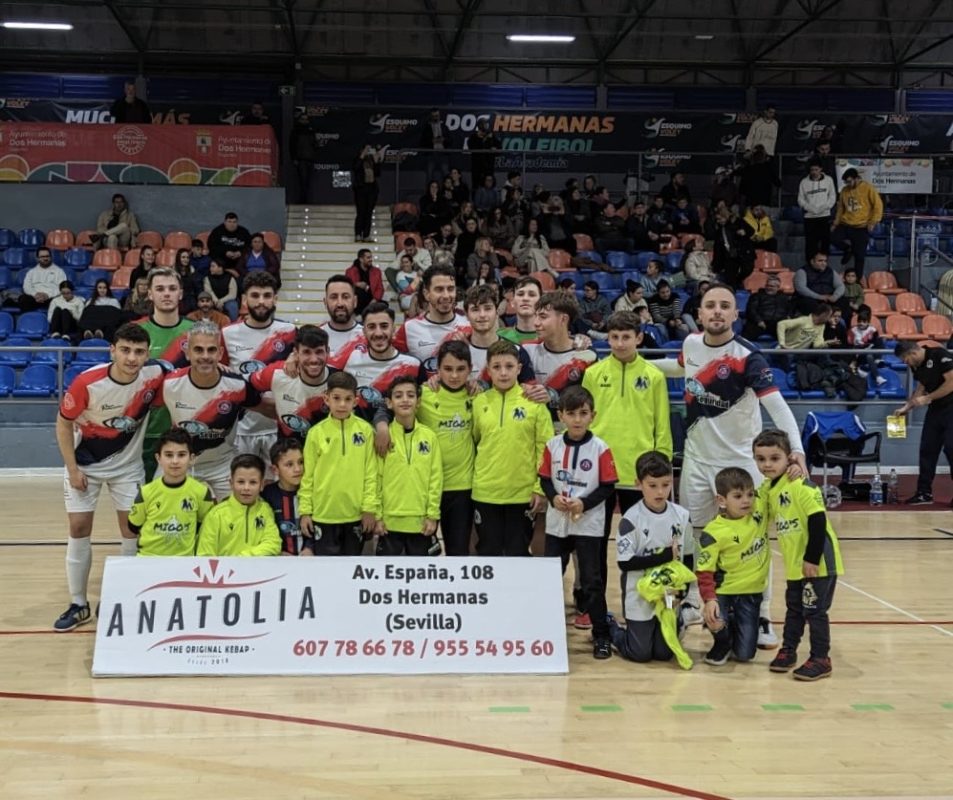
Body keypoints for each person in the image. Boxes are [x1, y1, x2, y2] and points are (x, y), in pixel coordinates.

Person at [658, 283, 806, 646]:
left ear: (735, 314)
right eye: (710, 305)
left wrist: (797, 450)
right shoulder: (691, 344)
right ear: (699, 313)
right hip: (697, 461)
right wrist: (633, 362)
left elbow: (777, 407)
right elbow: (678, 368)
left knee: (753, 542)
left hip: (740, 465)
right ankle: (696, 602)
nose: (717, 311)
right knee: (698, 537)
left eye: (725, 306)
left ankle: (764, 614)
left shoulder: (748, 356)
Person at [53, 322, 165, 631]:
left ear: (147, 354)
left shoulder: (155, 374)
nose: (132, 358)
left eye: (139, 352)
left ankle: (121, 597)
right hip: (85, 465)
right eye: (125, 350)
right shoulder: (87, 382)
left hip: (128, 468)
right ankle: (78, 603)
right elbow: (63, 424)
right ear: (112, 350)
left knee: (131, 530)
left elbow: (191, 370)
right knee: (78, 527)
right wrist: (72, 468)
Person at [582, 311, 672, 616]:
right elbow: (585, 422)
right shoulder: (593, 374)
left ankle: (640, 610)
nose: (620, 343)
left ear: (639, 338)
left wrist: (661, 469)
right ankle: (595, 612)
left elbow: (662, 425)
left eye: (626, 337)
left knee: (641, 547)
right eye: (614, 337)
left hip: (640, 474)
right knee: (594, 546)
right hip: (600, 473)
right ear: (607, 338)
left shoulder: (654, 376)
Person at [754, 430, 843, 681]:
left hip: (817, 562)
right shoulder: (769, 488)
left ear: (788, 458)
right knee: (794, 609)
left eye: (775, 458)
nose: (767, 464)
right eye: (761, 459)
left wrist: (812, 558)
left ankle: (821, 658)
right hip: (795, 565)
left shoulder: (801, 485)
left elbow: (818, 521)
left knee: (815, 611)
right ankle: (788, 650)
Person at [539, 386, 619, 659]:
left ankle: (601, 635)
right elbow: (545, 479)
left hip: (588, 525)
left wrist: (584, 503)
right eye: (571, 413)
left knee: (592, 581)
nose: (577, 419)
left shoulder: (601, 449)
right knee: (550, 577)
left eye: (583, 413)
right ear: (560, 415)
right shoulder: (552, 445)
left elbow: (608, 486)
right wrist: (552, 498)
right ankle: (545, 631)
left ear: (592, 416)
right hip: (557, 524)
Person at [159, 320, 269, 500]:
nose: (205, 356)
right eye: (198, 350)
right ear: (187, 352)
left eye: (211, 350)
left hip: (223, 463)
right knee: (162, 509)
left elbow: (267, 408)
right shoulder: (169, 383)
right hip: (180, 462)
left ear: (220, 353)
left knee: (240, 511)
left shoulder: (237, 384)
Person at [471, 340, 553, 556]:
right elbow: (475, 442)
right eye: (497, 367)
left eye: (509, 366)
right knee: (488, 552)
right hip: (486, 493)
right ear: (488, 370)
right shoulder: (478, 402)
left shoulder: (534, 402)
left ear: (519, 368)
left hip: (522, 494)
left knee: (518, 552)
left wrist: (539, 488)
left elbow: (545, 449)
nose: (503, 372)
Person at [610, 451, 692, 663]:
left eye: (666, 484)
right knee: (640, 654)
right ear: (639, 484)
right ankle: (611, 627)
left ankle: (678, 621)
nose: (660, 491)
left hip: (669, 592)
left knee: (664, 654)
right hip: (639, 593)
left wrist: (683, 592)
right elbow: (625, 563)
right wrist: (665, 556)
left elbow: (688, 557)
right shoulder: (631, 519)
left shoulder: (682, 516)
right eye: (652, 485)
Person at [298, 371, 379, 555]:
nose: (342, 404)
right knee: (327, 570)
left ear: (355, 401)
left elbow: (371, 473)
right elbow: (307, 476)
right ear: (326, 399)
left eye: (347, 399)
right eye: (336, 398)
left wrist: (369, 508)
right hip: (323, 515)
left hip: (356, 515)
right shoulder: (315, 433)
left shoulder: (366, 430)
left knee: (352, 568)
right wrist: (305, 511)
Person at [696, 467, 770, 666]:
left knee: (745, 655)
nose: (746, 500)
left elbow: (772, 482)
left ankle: (740, 623)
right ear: (721, 500)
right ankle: (723, 640)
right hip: (724, 592)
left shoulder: (758, 513)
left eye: (750, 494)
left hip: (751, 592)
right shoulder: (713, 532)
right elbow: (704, 571)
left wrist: (794, 465)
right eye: (738, 496)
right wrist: (709, 599)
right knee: (714, 617)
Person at [222, 271, 296, 459]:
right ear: (244, 299)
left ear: (275, 299)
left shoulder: (289, 332)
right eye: (255, 295)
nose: (261, 301)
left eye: (267, 295)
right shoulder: (228, 333)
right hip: (240, 429)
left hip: (278, 427)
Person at [417, 340, 477, 556]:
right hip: (426, 487)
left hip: (462, 488)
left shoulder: (477, 396)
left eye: (460, 369)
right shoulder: (423, 395)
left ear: (470, 369)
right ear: (437, 369)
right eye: (448, 369)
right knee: (424, 552)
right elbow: (391, 407)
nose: (454, 375)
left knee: (458, 551)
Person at [374, 377, 443, 556]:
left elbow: (435, 479)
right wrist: (378, 516)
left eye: (410, 395)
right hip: (389, 524)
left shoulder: (429, 437)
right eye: (398, 396)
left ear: (418, 402)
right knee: (387, 572)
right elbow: (376, 479)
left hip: (421, 524)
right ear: (389, 403)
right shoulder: (383, 438)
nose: (405, 400)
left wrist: (432, 515)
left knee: (423, 573)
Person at [329, 302, 425, 421]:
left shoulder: (413, 365)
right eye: (371, 327)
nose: (378, 333)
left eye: (384, 326)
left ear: (393, 329)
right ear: (364, 331)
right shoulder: (352, 359)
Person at [128, 429, 214, 556]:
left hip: (184, 561)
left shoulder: (202, 492)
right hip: (148, 559)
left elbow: (203, 527)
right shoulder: (146, 492)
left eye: (181, 455)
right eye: (168, 455)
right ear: (158, 458)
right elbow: (134, 526)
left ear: (192, 458)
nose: (175, 461)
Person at [892, 341, 953, 505]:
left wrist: (928, 398)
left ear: (913, 353)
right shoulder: (916, 366)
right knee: (927, 449)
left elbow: (951, 382)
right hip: (936, 409)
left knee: (951, 448)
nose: (906, 363)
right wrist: (907, 407)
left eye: (905, 359)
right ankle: (924, 493)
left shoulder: (939, 355)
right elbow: (921, 387)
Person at [250, 325, 334, 441]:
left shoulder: (338, 379)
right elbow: (242, 387)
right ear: (296, 353)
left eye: (319, 352)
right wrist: (265, 407)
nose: (314, 359)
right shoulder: (277, 373)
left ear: (327, 352)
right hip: (289, 449)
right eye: (306, 352)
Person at [525, 292, 597, 416]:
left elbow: (591, 401)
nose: (536, 322)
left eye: (543, 317)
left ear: (563, 319)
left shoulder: (586, 357)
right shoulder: (527, 351)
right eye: (535, 316)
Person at [196, 454, 281, 557]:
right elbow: (204, 555)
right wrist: (235, 564)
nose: (246, 488)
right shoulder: (216, 515)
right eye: (241, 482)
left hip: (256, 567)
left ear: (262, 485)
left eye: (253, 482)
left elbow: (273, 543)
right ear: (231, 483)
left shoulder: (265, 510)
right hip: (225, 568)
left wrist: (242, 558)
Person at [393, 265, 468, 367]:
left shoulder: (468, 325)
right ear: (426, 294)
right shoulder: (409, 328)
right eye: (439, 289)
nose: (446, 296)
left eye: (450, 289)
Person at [831, 168, 883, 278]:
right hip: (846, 224)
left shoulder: (868, 188)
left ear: (856, 179)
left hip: (861, 226)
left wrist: (873, 222)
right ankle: (847, 249)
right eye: (846, 182)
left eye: (850, 181)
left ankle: (858, 279)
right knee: (832, 237)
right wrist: (835, 223)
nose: (848, 184)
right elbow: (840, 208)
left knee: (860, 256)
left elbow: (878, 206)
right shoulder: (844, 190)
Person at [261, 438, 310, 556]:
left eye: (301, 462)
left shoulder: (311, 493)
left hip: (311, 558)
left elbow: (321, 526)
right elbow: (262, 530)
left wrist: (310, 548)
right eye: (289, 464)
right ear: (275, 469)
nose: (297, 469)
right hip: (278, 559)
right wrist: (277, 552)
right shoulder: (267, 495)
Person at [798, 160, 837, 263]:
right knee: (810, 244)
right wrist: (810, 208)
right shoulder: (804, 182)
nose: (814, 172)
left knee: (825, 242)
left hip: (824, 215)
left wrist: (824, 207)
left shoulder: (828, 180)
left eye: (816, 169)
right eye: (812, 170)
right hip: (809, 217)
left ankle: (824, 264)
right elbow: (800, 199)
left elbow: (832, 197)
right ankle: (810, 265)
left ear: (820, 169)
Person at [794, 251, 848, 317]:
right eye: (820, 261)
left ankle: (841, 322)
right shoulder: (802, 271)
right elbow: (801, 288)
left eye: (825, 261)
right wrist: (819, 297)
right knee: (808, 303)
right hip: (811, 298)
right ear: (812, 261)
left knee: (843, 301)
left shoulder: (830, 271)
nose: (824, 263)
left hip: (828, 298)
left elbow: (840, 286)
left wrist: (835, 296)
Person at [321, 275, 363, 356]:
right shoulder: (315, 336)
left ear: (355, 301)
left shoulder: (368, 336)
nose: (340, 303)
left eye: (345, 297)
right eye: (334, 297)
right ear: (325, 302)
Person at [741, 273, 791, 341]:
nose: (769, 288)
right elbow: (751, 310)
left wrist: (787, 317)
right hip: (759, 323)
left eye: (772, 286)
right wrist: (759, 321)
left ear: (778, 287)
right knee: (747, 334)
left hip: (777, 324)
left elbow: (789, 310)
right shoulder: (756, 296)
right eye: (767, 285)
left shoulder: (784, 298)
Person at [18, 247, 67, 313]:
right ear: (37, 258)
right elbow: (26, 287)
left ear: (51, 257)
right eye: (42, 257)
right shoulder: (31, 272)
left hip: (51, 298)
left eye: (47, 256)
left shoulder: (59, 271)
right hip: (34, 298)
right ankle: (28, 318)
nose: (45, 258)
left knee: (59, 301)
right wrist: (35, 294)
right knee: (23, 299)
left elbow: (62, 288)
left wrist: (47, 295)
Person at [847, 306, 886, 386]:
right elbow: (851, 344)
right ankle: (877, 377)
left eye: (864, 321)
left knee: (879, 340)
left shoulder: (873, 330)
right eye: (859, 321)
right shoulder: (853, 330)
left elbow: (876, 343)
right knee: (868, 355)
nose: (861, 323)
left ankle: (878, 359)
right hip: (859, 354)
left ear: (868, 322)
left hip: (870, 350)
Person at [498, 275, 543, 344]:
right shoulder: (501, 337)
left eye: (532, 295)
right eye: (520, 294)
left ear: (541, 302)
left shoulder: (550, 337)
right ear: (512, 301)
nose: (525, 298)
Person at [352, 144, 382, 243]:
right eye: (366, 150)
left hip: (372, 189)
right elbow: (356, 167)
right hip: (361, 189)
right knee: (361, 212)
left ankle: (366, 235)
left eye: (369, 150)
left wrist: (376, 161)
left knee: (369, 213)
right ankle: (358, 234)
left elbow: (378, 173)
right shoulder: (358, 159)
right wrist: (362, 155)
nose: (368, 152)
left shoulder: (372, 160)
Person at [345, 248, 385, 317]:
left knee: (384, 305)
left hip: (371, 299)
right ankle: (361, 314)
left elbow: (380, 288)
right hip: (358, 299)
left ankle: (364, 314)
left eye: (371, 257)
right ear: (361, 259)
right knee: (359, 291)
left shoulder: (376, 271)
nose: (371, 259)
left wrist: (375, 299)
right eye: (368, 258)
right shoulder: (350, 271)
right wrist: (356, 284)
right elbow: (346, 286)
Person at [290, 110, 317, 204]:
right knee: (302, 181)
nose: (305, 121)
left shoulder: (311, 131)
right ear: (299, 120)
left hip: (310, 159)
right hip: (301, 159)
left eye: (306, 119)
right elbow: (292, 146)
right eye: (303, 119)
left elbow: (314, 145)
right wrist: (294, 158)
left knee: (308, 181)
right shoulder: (295, 131)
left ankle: (307, 199)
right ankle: (303, 200)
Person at [420, 108, 453, 186]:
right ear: (431, 116)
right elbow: (422, 142)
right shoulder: (427, 128)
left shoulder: (444, 127)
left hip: (443, 154)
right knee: (429, 174)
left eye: (437, 116)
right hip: (431, 154)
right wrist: (431, 141)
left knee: (446, 174)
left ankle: (447, 191)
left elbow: (451, 140)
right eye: (434, 116)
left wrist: (444, 140)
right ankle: (429, 191)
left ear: (439, 116)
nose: (436, 117)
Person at [466, 118, 500, 189]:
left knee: (489, 185)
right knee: (476, 186)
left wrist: (495, 148)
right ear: (479, 126)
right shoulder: (473, 137)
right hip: (477, 166)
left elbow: (499, 147)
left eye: (486, 124)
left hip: (488, 165)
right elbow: (471, 147)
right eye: (484, 124)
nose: (486, 126)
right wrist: (481, 138)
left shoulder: (491, 135)